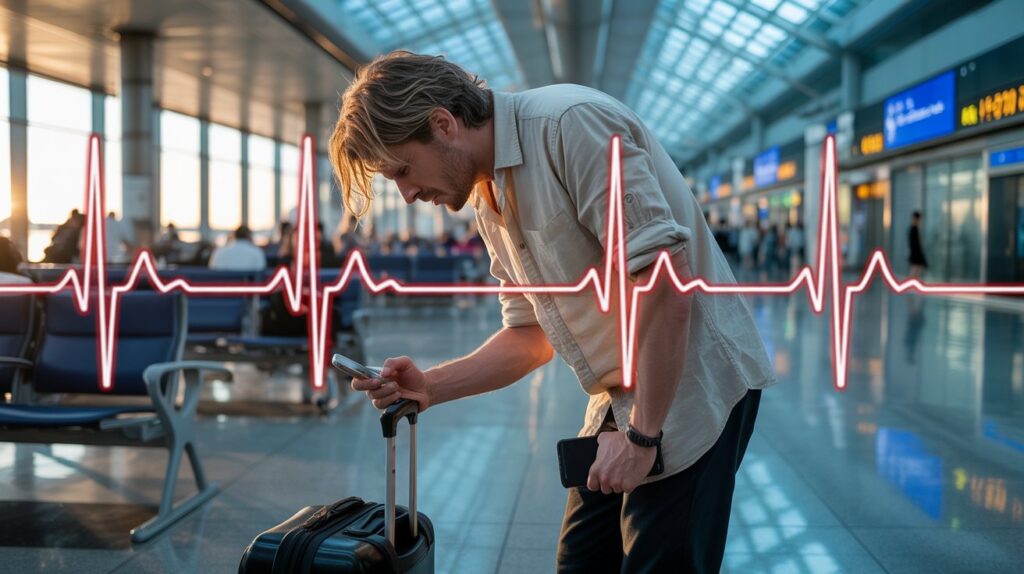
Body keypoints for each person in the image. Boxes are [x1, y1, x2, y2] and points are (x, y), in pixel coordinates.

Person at [329, 52, 776, 572]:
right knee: (581, 562)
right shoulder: (487, 194)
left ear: (443, 123)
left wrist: (642, 437)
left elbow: (664, 281)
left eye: (403, 170)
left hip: (692, 382)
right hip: (624, 390)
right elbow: (529, 333)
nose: (406, 195)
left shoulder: (571, 125)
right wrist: (430, 386)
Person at [908, 211, 927, 278]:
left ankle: (913, 285)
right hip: (916, 254)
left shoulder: (913, 229)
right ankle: (912, 285)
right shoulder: (914, 229)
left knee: (915, 271)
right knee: (915, 271)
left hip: (915, 253)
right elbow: (916, 244)